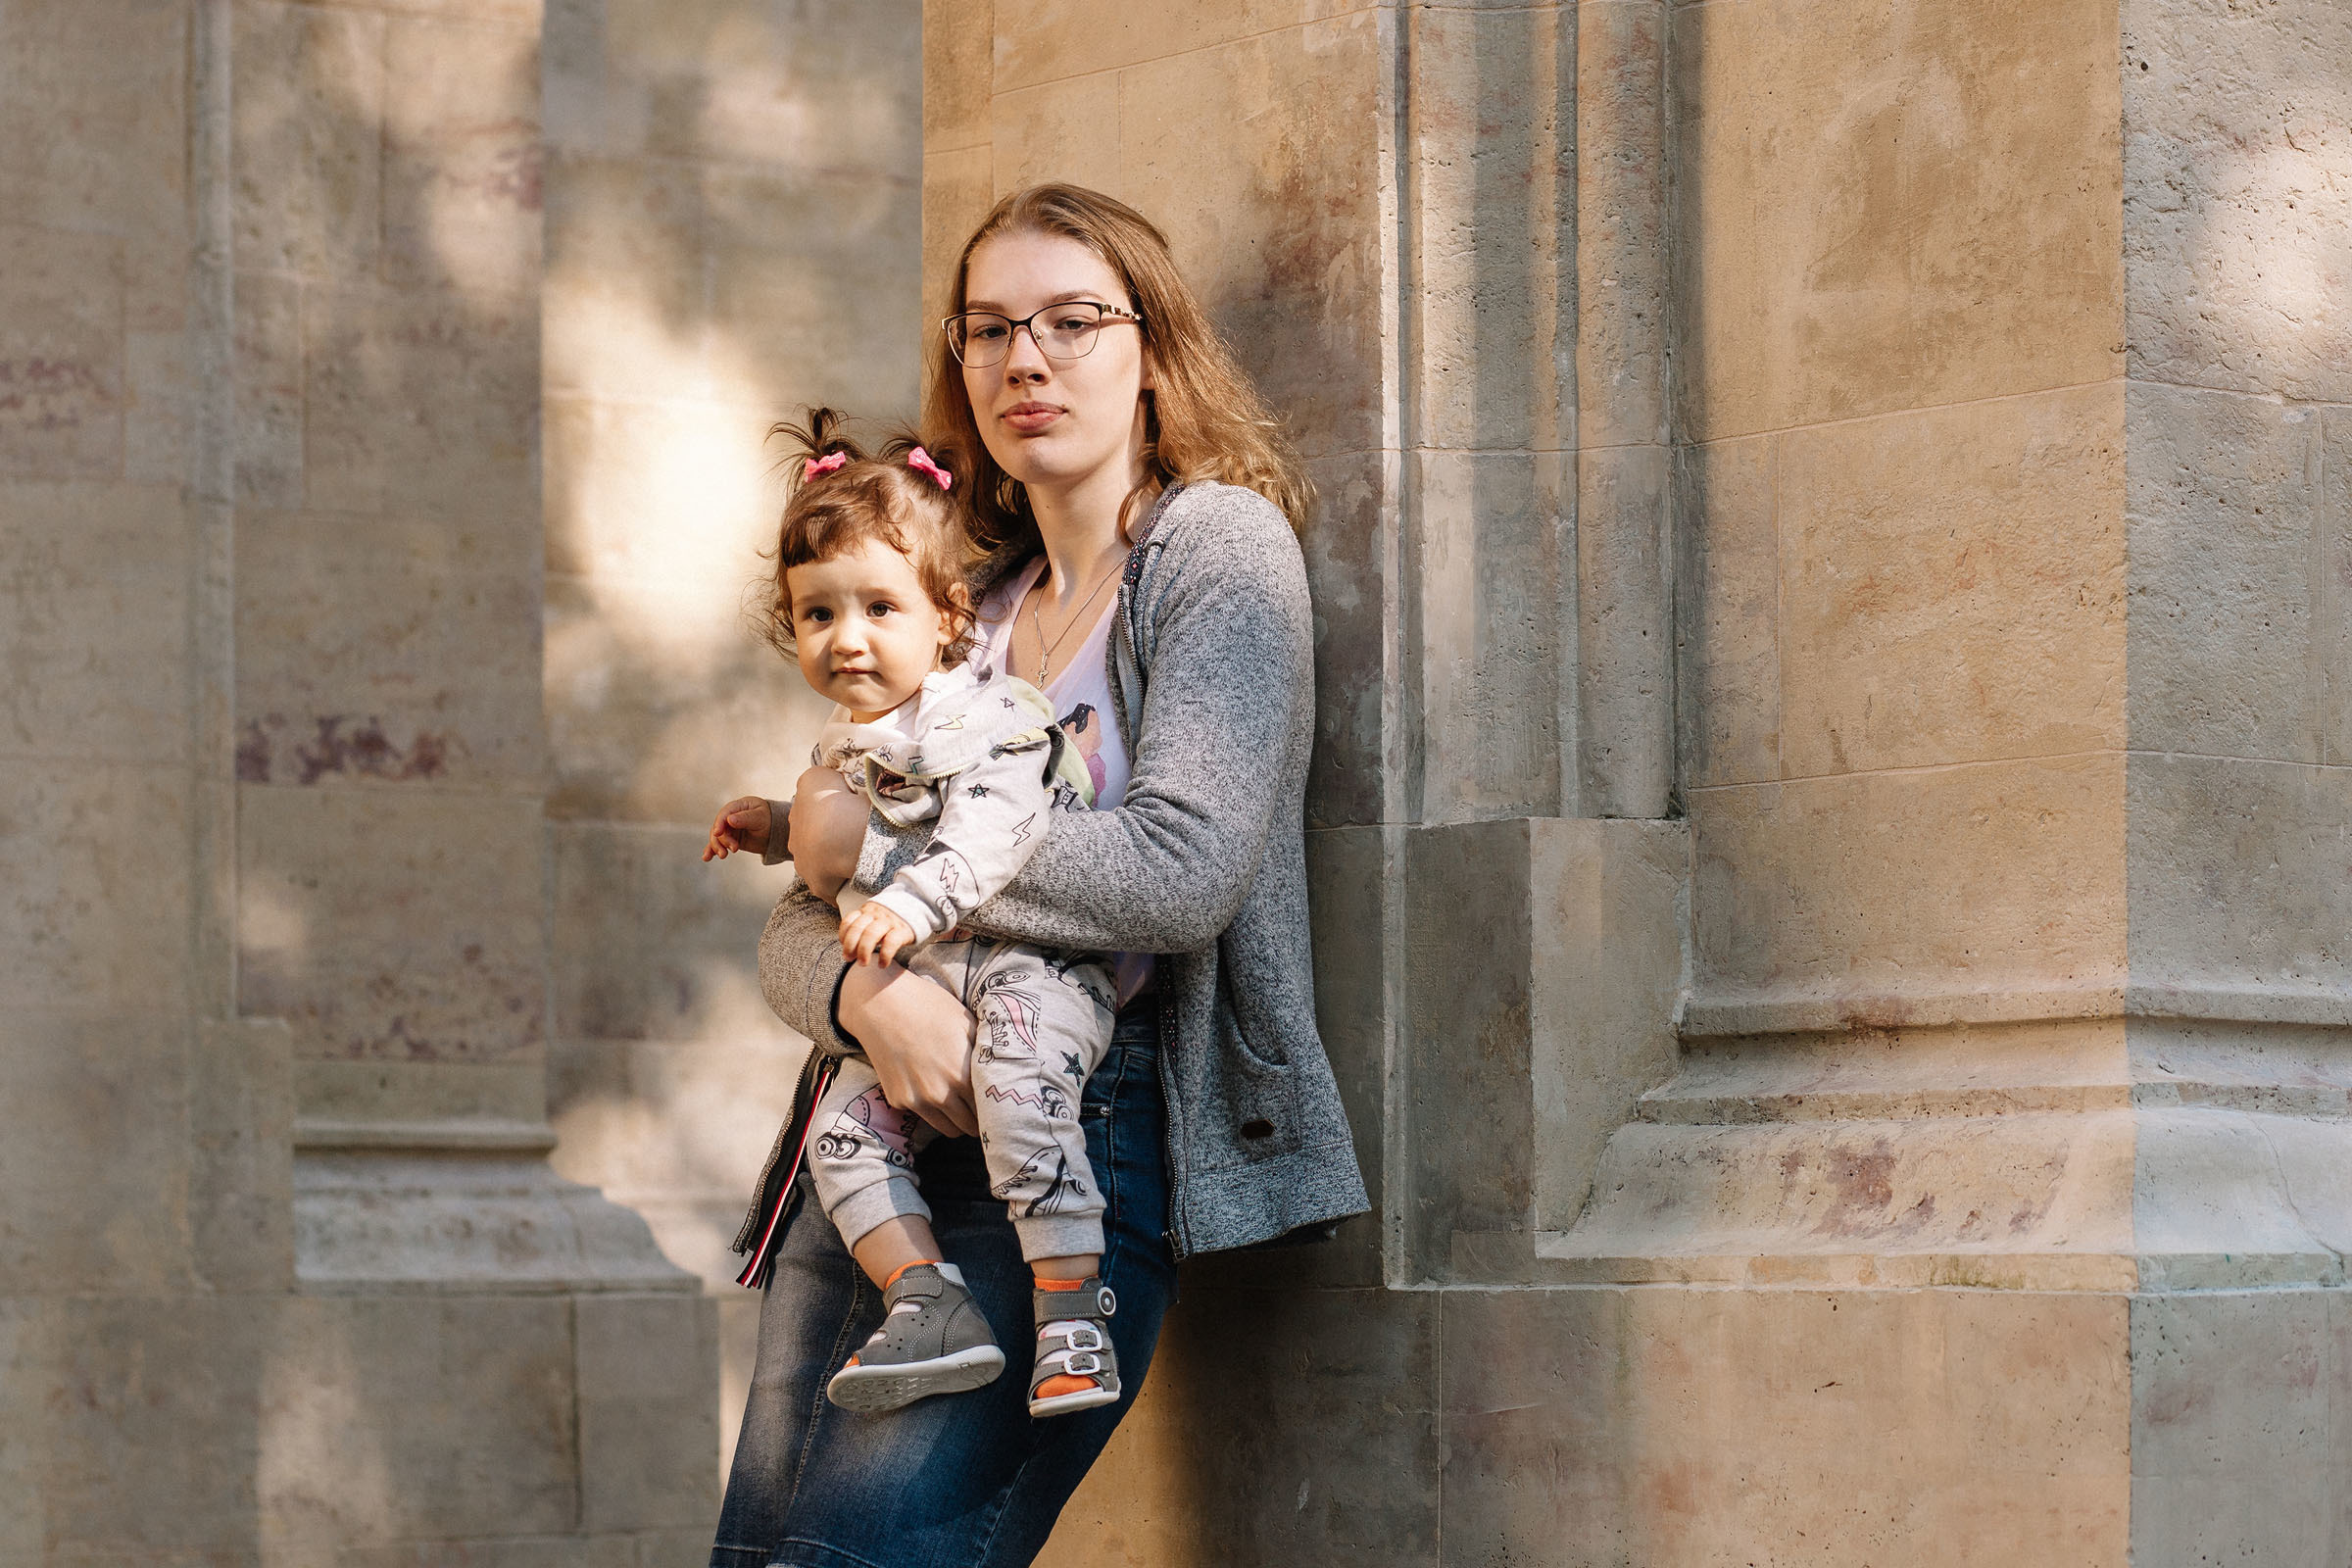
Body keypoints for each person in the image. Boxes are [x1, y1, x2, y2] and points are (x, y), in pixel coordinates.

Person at [709, 183, 1369, 1568]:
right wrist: (867, 1004)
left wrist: (870, 858)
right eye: (991, 329)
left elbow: (1183, 869)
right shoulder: (963, 600)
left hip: (1078, 1126)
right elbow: (798, 917)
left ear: (1153, 346)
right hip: (873, 1143)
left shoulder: (1213, 551)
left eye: (1075, 320)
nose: (1029, 359)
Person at [702, 411, 1128, 1420]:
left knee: (1027, 1087)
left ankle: (1072, 1306)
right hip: (923, 976)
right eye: (817, 615)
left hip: (1031, 965)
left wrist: (911, 894)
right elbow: (838, 833)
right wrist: (770, 823)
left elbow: (998, 821)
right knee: (839, 1131)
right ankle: (924, 1294)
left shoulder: (987, 710)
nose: (846, 638)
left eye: (878, 608)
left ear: (945, 617)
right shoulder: (851, 738)